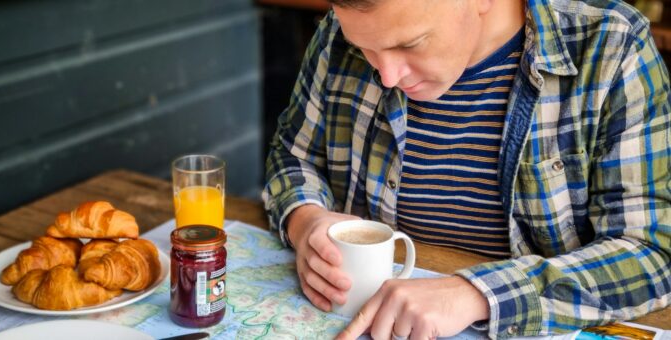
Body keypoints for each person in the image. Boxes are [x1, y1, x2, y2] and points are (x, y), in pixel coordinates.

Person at [262, 0, 671, 338]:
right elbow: (293, 154)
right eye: (366, 49)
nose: (386, 75)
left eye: (411, 44)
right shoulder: (340, 33)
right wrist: (305, 219)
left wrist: (475, 294)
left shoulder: (612, 48)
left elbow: (653, 253)